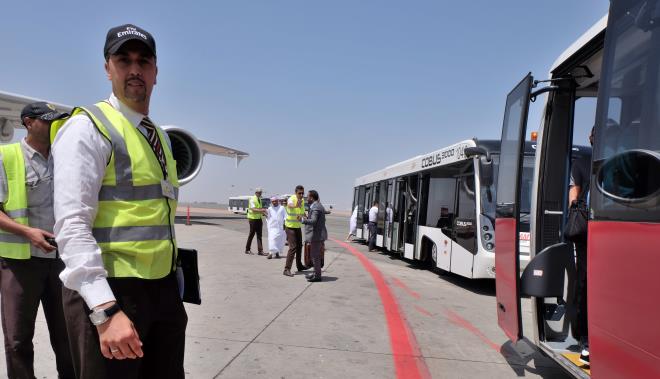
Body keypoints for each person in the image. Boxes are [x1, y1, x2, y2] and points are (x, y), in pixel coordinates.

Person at [51, 24, 187, 378]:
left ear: (156, 72)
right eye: (123, 59)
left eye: (144, 61)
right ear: (107, 68)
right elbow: (72, 225)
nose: (134, 69)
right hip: (112, 293)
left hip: (162, 292)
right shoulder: (88, 128)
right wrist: (104, 310)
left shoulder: (156, 136)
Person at [0, 102, 74, 378]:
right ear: (29, 123)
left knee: (68, 337)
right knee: (18, 340)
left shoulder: (66, 158)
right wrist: (27, 232)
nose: (55, 125)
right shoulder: (6, 156)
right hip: (21, 264)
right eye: (48, 121)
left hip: (62, 263)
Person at [568, 127, 593, 366]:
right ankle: (587, 340)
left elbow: (573, 196)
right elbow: (573, 196)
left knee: (587, 283)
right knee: (588, 283)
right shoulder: (582, 163)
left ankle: (588, 341)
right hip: (594, 232)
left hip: (596, 231)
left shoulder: (583, 161)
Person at [302, 190, 327, 282]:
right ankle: (315, 273)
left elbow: (313, 221)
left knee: (315, 256)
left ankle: (317, 276)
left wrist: (302, 220)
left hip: (317, 236)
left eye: (307, 197)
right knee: (314, 255)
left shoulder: (316, 207)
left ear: (312, 198)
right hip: (317, 235)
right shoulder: (316, 206)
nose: (306, 198)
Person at [283, 185, 306, 277]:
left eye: (302, 193)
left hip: (297, 226)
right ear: (295, 193)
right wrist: (296, 205)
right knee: (293, 247)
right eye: (299, 193)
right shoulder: (291, 199)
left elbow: (302, 211)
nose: (301, 195)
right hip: (290, 227)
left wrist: (306, 216)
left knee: (300, 246)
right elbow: (290, 205)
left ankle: (299, 266)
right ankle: (286, 269)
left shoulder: (303, 200)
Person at [245, 188, 267, 255]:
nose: (260, 194)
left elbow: (259, 209)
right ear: (256, 192)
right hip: (253, 219)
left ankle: (260, 251)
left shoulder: (259, 199)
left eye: (261, 192)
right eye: (259, 192)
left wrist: (265, 214)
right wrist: (263, 210)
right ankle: (247, 249)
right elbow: (254, 209)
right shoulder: (252, 199)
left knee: (259, 235)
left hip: (259, 219)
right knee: (251, 234)